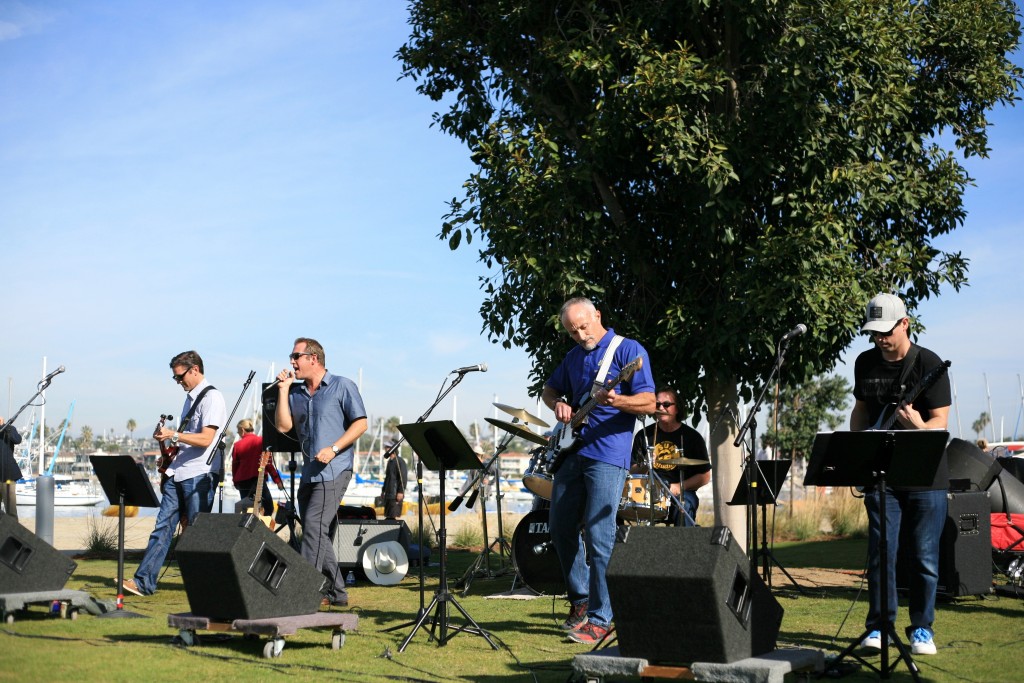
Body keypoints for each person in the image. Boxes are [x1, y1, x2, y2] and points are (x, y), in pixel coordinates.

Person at [541, 297, 655, 644]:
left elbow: (649, 403)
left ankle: (601, 617)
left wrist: (616, 400)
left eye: (584, 326)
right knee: (559, 526)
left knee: (599, 532)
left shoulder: (628, 351)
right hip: (572, 451)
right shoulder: (574, 356)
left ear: (598, 316)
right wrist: (558, 403)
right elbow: (548, 390)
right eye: (573, 331)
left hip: (608, 453)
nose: (580, 334)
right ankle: (580, 600)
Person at [851, 293, 951, 656]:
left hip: (926, 475)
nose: (879, 339)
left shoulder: (930, 363)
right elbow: (861, 411)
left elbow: (941, 423)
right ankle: (878, 627)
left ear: (904, 323)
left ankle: (922, 629)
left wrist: (918, 424)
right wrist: (857, 451)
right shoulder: (864, 363)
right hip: (881, 475)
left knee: (924, 556)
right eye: (873, 333)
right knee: (882, 553)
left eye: (885, 331)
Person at [123, 350, 226, 596]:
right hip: (178, 472)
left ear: (195, 370)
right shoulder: (190, 399)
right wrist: (169, 447)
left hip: (200, 474)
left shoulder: (213, 397)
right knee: (162, 528)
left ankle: (204, 587)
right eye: (175, 379)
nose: (178, 382)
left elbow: (206, 439)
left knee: (196, 534)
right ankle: (143, 582)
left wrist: (173, 434)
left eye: (180, 377)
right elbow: (189, 440)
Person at [275, 337, 367, 608]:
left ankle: (305, 592)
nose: (292, 362)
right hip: (309, 473)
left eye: (296, 356)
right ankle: (338, 593)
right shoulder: (296, 393)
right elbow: (282, 426)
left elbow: (361, 424)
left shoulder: (342, 386)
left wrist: (334, 448)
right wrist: (283, 390)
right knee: (316, 532)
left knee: (314, 526)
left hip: (335, 469)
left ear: (313, 358)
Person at [630, 387, 710, 526]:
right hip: (647, 492)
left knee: (683, 507)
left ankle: (682, 547)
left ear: (677, 408)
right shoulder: (644, 435)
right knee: (614, 504)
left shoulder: (692, 437)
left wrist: (679, 487)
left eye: (666, 404)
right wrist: (645, 465)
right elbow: (632, 470)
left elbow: (705, 476)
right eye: (657, 404)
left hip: (681, 493)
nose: (661, 407)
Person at [231, 418, 284, 517]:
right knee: (268, 507)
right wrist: (277, 480)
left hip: (243, 482)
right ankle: (262, 528)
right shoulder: (262, 441)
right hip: (258, 479)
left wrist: (235, 481)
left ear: (242, 430)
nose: (238, 434)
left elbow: (235, 466)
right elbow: (268, 464)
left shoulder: (237, 445)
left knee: (246, 508)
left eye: (238, 432)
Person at [1, 417, 23, 519]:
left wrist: (4, 427)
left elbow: (17, 439)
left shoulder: (10, 429)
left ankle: (13, 534)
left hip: (8, 476)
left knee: (11, 512)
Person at [380, 440, 408, 520]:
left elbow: (403, 478)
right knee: (388, 517)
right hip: (388, 494)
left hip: (395, 495)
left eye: (388, 447)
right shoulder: (390, 462)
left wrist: (401, 492)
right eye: (386, 447)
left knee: (393, 517)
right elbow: (387, 478)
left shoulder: (400, 461)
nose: (386, 449)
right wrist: (383, 491)